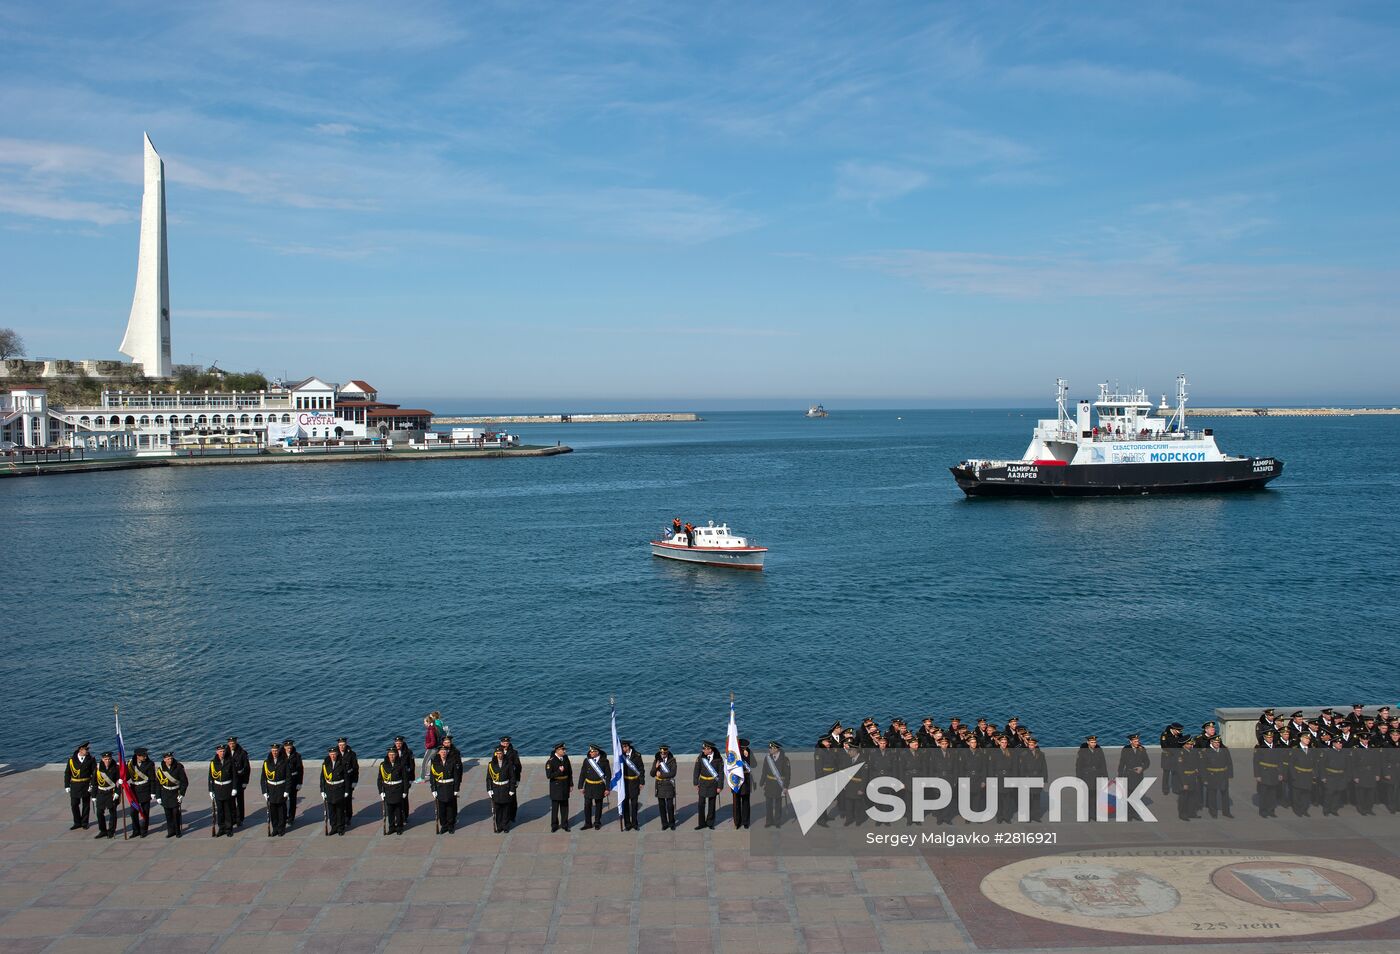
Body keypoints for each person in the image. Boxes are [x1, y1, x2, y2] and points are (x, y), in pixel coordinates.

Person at [428, 742, 461, 833]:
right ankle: (444, 825)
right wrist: (433, 789)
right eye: (441, 751)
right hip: (440, 787)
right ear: (438, 753)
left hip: (450, 787)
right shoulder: (435, 763)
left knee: (450, 808)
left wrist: (456, 789)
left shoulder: (452, 762)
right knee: (441, 809)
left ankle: (451, 825)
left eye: (445, 751)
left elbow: (456, 777)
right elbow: (432, 778)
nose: (443, 753)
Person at [1117, 735, 1150, 822]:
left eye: (1138, 741)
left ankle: (1135, 813)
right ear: (1130, 742)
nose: (1137, 743)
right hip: (1128, 774)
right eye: (1135, 741)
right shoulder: (1126, 749)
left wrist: (1142, 768)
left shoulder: (1142, 749)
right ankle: (1128, 814)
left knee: (1136, 795)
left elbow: (1147, 762)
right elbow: (1122, 762)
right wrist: (1120, 775)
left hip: (1138, 775)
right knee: (1128, 794)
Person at [155, 751, 188, 837]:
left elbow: (184, 782)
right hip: (165, 793)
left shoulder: (178, 767)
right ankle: (171, 831)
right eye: (168, 759)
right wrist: (158, 796)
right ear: (164, 759)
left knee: (175, 813)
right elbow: (158, 784)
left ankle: (178, 831)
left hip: (175, 793)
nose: (170, 760)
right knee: (168, 814)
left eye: (171, 758)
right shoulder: (160, 770)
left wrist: (181, 794)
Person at [577, 743, 610, 830]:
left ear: (597, 752)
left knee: (599, 805)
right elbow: (582, 773)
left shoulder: (604, 761)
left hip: (599, 786)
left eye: (592, 751)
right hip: (588, 786)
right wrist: (580, 786)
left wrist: (607, 788)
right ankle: (588, 823)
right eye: (590, 751)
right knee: (587, 805)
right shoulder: (587, 760)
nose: (590, 753)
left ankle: (597, 823)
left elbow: (608, 776)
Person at [379, 745, 410, 834]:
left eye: (393, 754)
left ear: (396, 755)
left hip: (398, 789)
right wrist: (381, 791)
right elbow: (380, 779)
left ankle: (399, 827)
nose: (392, 756)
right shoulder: (383, 765)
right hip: (388, 790)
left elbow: (405, 779)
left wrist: (405, 791)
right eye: (390, 754)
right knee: (390, 811)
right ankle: (391, 827)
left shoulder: (400, 765)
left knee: (398, 810)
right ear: (388, 755)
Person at [1253, 729, 1284, 818]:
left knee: (1272, 793)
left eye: (1271, 737)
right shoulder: (1260, 747)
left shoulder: (1276, 747)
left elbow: (1280, 761)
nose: (1270, 739)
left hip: (1274, 773)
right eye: (1268, 737)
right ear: (1264, 738)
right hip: (1264, 773)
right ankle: (1263, 811)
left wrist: (1280, 773)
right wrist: (1257, 775)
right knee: (1264, 793)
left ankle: (1271, 810)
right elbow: (1256, 762)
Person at [209, 743, 238, 837]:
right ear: (217, 752)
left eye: (223, 751)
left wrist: (234, 788)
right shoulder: (213, 763)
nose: (222, 753)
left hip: (227, 788)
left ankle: (229, 828)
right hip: (218, 789)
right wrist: (211, 790)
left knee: (228, 810)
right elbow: (210, 778)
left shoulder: (230, 761)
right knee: (220, 811)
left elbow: (234, 776)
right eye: (220, 751)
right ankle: (221, 828)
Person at [260, 743, 290, 836]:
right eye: (273, 751)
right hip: (271, 789)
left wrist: (287, 790)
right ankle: (275, 828)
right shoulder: (266, 763)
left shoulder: (284, 761)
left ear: (279, 751)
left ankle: (281, 828)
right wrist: (264, 791)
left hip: (281, 788)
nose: (275, 752)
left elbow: (288, 777)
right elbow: (263, 779)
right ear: (271, 751)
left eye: (276, 751)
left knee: (281, 810)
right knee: (273, 811)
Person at [321, 745, 351, 835]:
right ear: (329, 754)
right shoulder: (325, 764)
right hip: (329, 790)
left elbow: (346, 779)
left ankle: (341, 828)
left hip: (339, 790)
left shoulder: (342, 763)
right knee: (331, 811)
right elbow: (322, 778)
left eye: (334, 754)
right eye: (331, 754)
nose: (333, 756)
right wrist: (322, 790)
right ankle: (333, 827)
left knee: (340, 810)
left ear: (337, 754)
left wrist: (346, 791)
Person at [64, 742, 95, 831]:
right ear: (80, 750)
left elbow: (94, 774)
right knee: (74, 804)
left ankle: (85, 822)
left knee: (86, 805)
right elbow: (67, 773)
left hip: (86, 784)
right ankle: (77, 822)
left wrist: (92, 785)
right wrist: (67, 785)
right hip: (75, 785)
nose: (88, 751)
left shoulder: (91, 759)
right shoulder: (71, 760)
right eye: (86, 749)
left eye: (88, 749)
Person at [1017, 737, 1048, 823]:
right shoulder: (1024, 754)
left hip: (1037, 778)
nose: (1030, 746)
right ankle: (1028, 816)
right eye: (1029, 744)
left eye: (1032, 744)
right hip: (1028, 777)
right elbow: (1021, 768)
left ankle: (1036, 816)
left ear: (1035, 745)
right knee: (1028, 798)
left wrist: (1044, 779)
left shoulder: (1041, 754)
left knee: (1036, 798)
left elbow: (1044, 767)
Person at [1202, 736, 1234, 818]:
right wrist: (1204, 779)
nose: (1217, 744)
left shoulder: (1224, 750)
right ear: (1211, 742)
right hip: (1211, 776)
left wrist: (1230, 774)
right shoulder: (1206, 752)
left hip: (1223, 775)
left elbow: (1229, 762)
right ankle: (1213, 812)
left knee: (1225, 794)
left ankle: (1226, 812)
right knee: (1212, 794)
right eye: (1215, 742)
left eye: (1218, 742)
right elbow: (1203, 767)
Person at [92, 751, 121, 839]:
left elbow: (118, 782)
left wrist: (117, 792)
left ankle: (111, 831)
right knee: (99, 812)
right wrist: (93, 796)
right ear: (102, 759)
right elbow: (94, 783)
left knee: (112, 812)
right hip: (101, 793)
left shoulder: (116, 767)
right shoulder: (97, 768)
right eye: (105, 759)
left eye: (109, 759)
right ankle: (103, 830)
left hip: (111, 792)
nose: (107, 761)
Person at [486, 747, 515, 833]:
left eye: (500, 753)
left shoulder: (509, 763)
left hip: (506, 788)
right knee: (497, 809)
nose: (499, 755)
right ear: (495, 754)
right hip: (496, 789)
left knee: (506, 808)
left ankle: (505, 826)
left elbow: (512, 777)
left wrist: (512, 789)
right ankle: (499, 826)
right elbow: (488, 778)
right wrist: (489, 789)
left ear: (503, 754)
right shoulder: (491, 764)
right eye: (497, 753)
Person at [694, 741, 722, 829]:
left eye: (704, 749)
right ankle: (701, 823)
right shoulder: (701, 757)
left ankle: (710, 823)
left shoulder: (718, 759)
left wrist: (720, 786)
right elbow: (696, 770)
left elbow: (721, 773)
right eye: (703, 749)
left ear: (710, 750)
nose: (703, 750)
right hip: (702, 783)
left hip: (713, 783)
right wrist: (695, 783)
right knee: (701, 804)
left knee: (712, 804)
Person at [760, 741, 789, 828]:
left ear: (776, 749)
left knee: (778, 804)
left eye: (771, 748)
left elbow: (787, 774)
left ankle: (777, 822)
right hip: (769, 784)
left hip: (778, 785)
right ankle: (769, 821)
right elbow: (764, 770)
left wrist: (786, 787)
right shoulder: (767, 758)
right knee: (768, 804)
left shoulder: (785, 759)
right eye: (769, 748)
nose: (769, 750)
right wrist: (762, 781)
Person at [127, 748, 155, 837]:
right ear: (138, 756)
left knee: (145, 812)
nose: (145, 757)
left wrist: (152, 792)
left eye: (146, 755)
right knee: (133, 812)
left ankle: (144, 830)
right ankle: (136, 830)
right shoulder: (130, 764)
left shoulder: (150, 764)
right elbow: (127, 776)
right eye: (143, 755)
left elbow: (152, 779)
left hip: (145, 789)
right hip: (134, 790)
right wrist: (122, 778)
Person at [545, 743, 573, 832]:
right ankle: (554, 825)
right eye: (563, 749)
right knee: (555, 807)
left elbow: (569, 772)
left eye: (565, 749)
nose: (565, 751)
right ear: (557, 750)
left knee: (565, 806)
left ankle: (565, 824)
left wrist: (570, 784)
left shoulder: (565, 758)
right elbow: (549, 775)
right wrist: (559, 772)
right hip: (556, 786)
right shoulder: (551, 761)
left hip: (565, 785)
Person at [618, 740, 645, 831]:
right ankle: (627, 824)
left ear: (629, 746)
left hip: (634, 782)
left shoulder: (637, 756)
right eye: (622, 747)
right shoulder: (621, 756)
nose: (624, 749)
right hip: (625, 783)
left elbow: (641, 769)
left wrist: (642, 782)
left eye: (625, 747)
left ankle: (635, 823)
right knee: (625, 804)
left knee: (634, 804)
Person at [1289, 734, 1316, 817]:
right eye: (1306, 738)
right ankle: (1298, 810)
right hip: (1298, 774)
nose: (1308, 740)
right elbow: (1291, 764)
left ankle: (1304, 809)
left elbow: (1314, 763)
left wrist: (1314, 774)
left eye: (1309, 738)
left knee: (1306, 794)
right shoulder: (1295, 749)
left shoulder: (1311, 750)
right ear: (1301, 739)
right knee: (1297, 794)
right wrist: (1293, 775)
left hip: (1308, 775)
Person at [1351, 735, 1380, 816]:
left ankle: (1369, 808)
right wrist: (1355, 776)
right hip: (1361, 773)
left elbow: (1377, 762)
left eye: (1367, 739)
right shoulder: (1356, 749)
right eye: (1364, 739)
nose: (1366, 741)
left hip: (1371, 773)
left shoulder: (1372, 747)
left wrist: (1377, 774)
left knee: (1371, 793)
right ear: (1360, 739)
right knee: (1361, 793)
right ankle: (1362, 809)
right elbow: (1353, 764)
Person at [652, 745, 678, 830]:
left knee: (670, 806)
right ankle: (664, 823)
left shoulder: (672, 761)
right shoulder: (657, 760)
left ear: (667, 752)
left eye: (664, 753)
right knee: (661, 806)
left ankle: (672, 823)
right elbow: (652, 774)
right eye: (661, 753)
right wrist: (656, 767)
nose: (663, 754)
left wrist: (662, 775)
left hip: (669, 785)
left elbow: (673, 773)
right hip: (660, 786)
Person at [498, 736, 523, 825]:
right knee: (502, 800)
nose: (505, 744)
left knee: (512, 799)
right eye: (504, 743)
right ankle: (503, 817)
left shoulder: (514, 753)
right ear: (501, 743)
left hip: (511, 779)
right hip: (501, 780)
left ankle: (512, 816)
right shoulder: (497, 752)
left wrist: (517, 779)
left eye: (507, 743)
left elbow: (518, 766)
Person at [1322, 737, 1350, 816]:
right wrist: (1323, 777)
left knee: (1338, 794)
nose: (1340, 744)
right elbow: (1322, 765)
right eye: (1338, 743)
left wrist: (1346, 776)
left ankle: (1334, 809)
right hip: (1330, 776)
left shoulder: (1344, 752)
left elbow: (1347, 765)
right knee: (1329, 794)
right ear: (1333, 743)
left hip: (1341, 776)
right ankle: (1326, 810)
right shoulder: (1328, 752)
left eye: (1341, 743)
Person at [227, 737, 251, 828]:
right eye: (230, 743)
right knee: (231, 801)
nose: (231, 745)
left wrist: (245, 781)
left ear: (236, 743)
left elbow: (247, 768)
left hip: (240, 780)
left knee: (240, 801)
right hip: (229, 781)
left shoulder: (242, 753)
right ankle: (233, 818)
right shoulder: (226, 752)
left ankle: (240, 819)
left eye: (233, 743)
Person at [731, 739, 753, 829]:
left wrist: (747, 758)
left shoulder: (748, 752)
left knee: (745, 802)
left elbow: (754, 765)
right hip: (736, 780)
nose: (745, 749)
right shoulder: (734, 754)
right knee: (736, 803)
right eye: (743, 748)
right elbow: (730, 765)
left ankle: (746, 822)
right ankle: (737, 822)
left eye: (746, 748)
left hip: (746, 780)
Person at [1177, 738, 1200, 820]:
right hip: (1185, 778)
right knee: (1184, 798)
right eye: (1189, 744)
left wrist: (1196, 769)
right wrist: (1184, 783)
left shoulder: (1192, 752)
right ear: (1184, 745)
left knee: (1192, 797)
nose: (1191, 745)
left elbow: (1195, 763)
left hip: (1193, 777)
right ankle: (1182, 814)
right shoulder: (1181, 754)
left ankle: (1191, 813)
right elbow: (1180, 770)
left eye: (1191, 744)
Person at [336, 738, 360, 819]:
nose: (342, 747)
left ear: (346, 744)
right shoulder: (335, 754)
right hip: (338, 781)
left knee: (348, 800)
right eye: (340, 745)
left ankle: (348, 816)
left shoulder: (352, 754)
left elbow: (355, 768)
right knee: (339, 800)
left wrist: (355, 781)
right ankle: (341, 817)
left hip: (349, 780)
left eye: (343, 745)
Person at [282, 740, 304, 826]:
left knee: (292, 800)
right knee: (283, 800)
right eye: (287, 748)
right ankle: (283, 816)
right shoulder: (281, 756)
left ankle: (291, 817)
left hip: (293, 780)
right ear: (284, 747)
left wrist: (299, 782)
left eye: (290, 747)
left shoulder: (297, 756)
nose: (289, 749)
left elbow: (300, 770)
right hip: (284, 781)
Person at [1159, 723, 1185, 794]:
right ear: (1173, 729)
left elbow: (1181, 743)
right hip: (1167, 757)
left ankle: (1175, 789)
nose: (1180, 732)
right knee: (1166, 774)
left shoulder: (1179, 734)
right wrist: (1175, 752)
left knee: (1175, 773)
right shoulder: (1165, 735)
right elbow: (1164, 746)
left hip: (1175, 757)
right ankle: (1165, 789)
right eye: (1178, 730)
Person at [422, 714, 441, 780]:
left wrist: (427, 745)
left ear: (428, 722)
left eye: (425, 722)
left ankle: (422, 778)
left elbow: (433, 742)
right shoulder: (434, 728)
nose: (424, 723)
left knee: (424, 763)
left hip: (431, 749)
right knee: (434, 762)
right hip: (435, 748)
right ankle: (435, 774)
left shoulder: (430, 730)